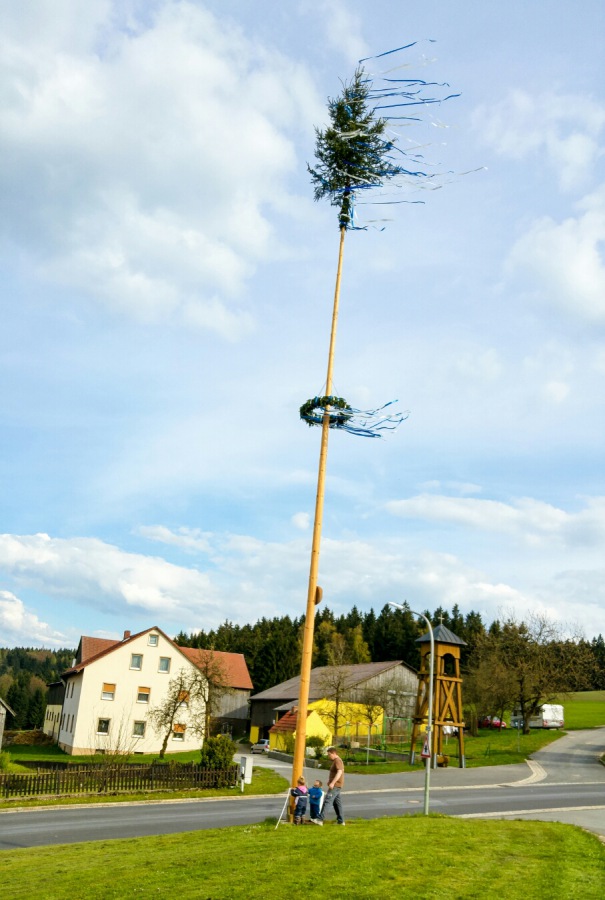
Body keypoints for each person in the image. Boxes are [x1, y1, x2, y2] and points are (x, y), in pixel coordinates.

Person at [311, 746, 344, 825]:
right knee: (337, 803)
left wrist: (332, 783)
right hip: (337, 785)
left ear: (334, 753)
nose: (328, 756)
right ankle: (341, 821)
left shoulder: (337, 761)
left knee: (327, 801)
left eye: (329, 754)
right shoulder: (336, 761)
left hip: (335, 785)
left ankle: (320, 820)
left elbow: (340, 772)